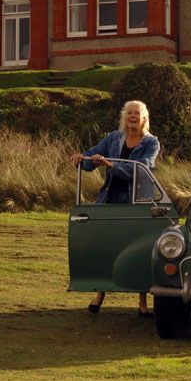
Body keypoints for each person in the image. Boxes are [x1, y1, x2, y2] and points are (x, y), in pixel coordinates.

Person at [69, 100, 160, 318]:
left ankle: (142, 301)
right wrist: (80, 158)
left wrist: (110, 165)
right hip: (110, 199)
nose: (132, 116)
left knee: (138, 249)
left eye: (137, 113)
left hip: (137, 202)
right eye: (129, 113)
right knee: (107, 246)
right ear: (123, 117)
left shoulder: (151, 143)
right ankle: (100, 293)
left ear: (144, 118)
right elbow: (92, 158)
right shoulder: (112, 138)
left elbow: (140, 169)